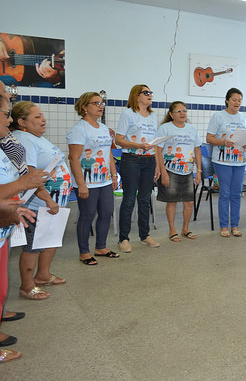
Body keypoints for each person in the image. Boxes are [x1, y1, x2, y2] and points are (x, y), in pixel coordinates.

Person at [11, 101, 69, 298]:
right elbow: (30, 176)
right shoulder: (25, 139)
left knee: (50, 240)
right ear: (22, 122)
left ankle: (43, 275)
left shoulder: (37, 138)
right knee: (34, 245)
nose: (43, 119)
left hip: (53, 202)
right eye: (37, 117)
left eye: (42, 115)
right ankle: (27, 286)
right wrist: (48, 200)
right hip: (38, 204)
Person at [0, 95, 43, 363]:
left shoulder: (5, 143)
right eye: (5, 114)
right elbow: (17, 180)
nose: (8, 120)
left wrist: (12, 207)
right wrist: (23, 183)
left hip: (4, 224)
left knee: (2, 283)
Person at [67, 92, 119, 265]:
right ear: (84, 107)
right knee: (87, 215)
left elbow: (108, 153)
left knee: (106, 212)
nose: (100, 106)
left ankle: (101, 247)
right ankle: (84, 252)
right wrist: (81, 184)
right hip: (87, 181)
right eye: (96, 103)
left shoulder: (104, 128)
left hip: (104, 180)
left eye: (101, 102)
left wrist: (113, 175)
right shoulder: (79, 129)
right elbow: (73, 158)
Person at [115, 84, 160, 252]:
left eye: (150, 92)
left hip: (149, 160)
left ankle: (144, 235)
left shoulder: (153, 116)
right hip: (132, 160)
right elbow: (118, 140)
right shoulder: (128, 114)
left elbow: (153, 141)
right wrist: (138, 145)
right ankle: (123, 239)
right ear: (136, 96)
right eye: (146, 92)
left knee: (144, 198)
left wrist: (156, 163)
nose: (150, 95)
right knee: (129, 200)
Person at [206, 88, 246, 237]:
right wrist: (222, 142)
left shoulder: (244, 118)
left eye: (239, 100)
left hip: (239, 161)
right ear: (227, 100)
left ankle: (235, 225)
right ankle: (224, 226)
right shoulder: (218, 116)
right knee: (225, 193)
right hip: (222, 161)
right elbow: (209, 138)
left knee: (236, 194)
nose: (237, 102)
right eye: (234, 100)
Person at [155, 101, 202, 242]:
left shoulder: (192, 129)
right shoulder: (165, 128)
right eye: (179, 111)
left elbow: (197, 150)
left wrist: (198, 171)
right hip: (170, 170)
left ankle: (185, 228)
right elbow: (158, 150)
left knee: (189, 202)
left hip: (187, 171)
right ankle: (172, 230)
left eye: (184, 111)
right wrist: (163, 172)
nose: (182, 113)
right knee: (172, 202)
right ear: (171, 114)